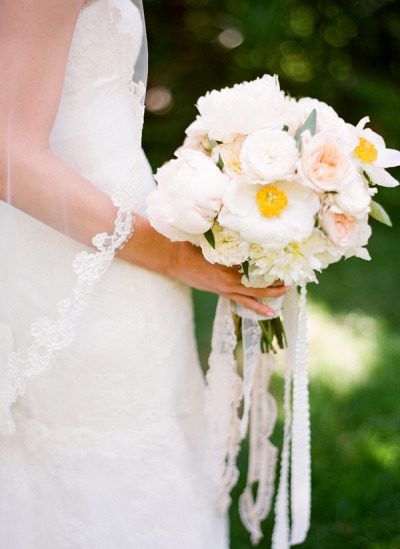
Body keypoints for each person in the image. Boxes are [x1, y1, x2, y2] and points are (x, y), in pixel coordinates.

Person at [0, 0, 289, 547]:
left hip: (110, 238)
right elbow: (7, 152)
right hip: (76, 261)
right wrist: (168, 253)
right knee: (92, 451)